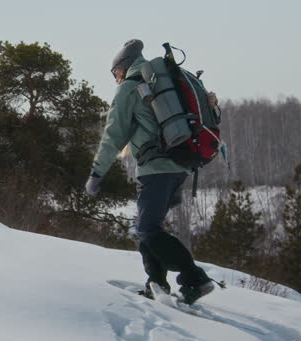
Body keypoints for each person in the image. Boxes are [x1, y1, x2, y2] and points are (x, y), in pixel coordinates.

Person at [85, 39, 217, 304]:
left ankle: (195, 279)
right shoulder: (159, 80)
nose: (115, 79)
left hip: (157, 168)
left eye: (115, 73)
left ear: (123, 67)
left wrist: (96, 174)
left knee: (147, 229)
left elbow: (113, 135)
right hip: (177, 164)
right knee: (147, 226)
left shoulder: (130, 89)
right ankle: (156, 284)